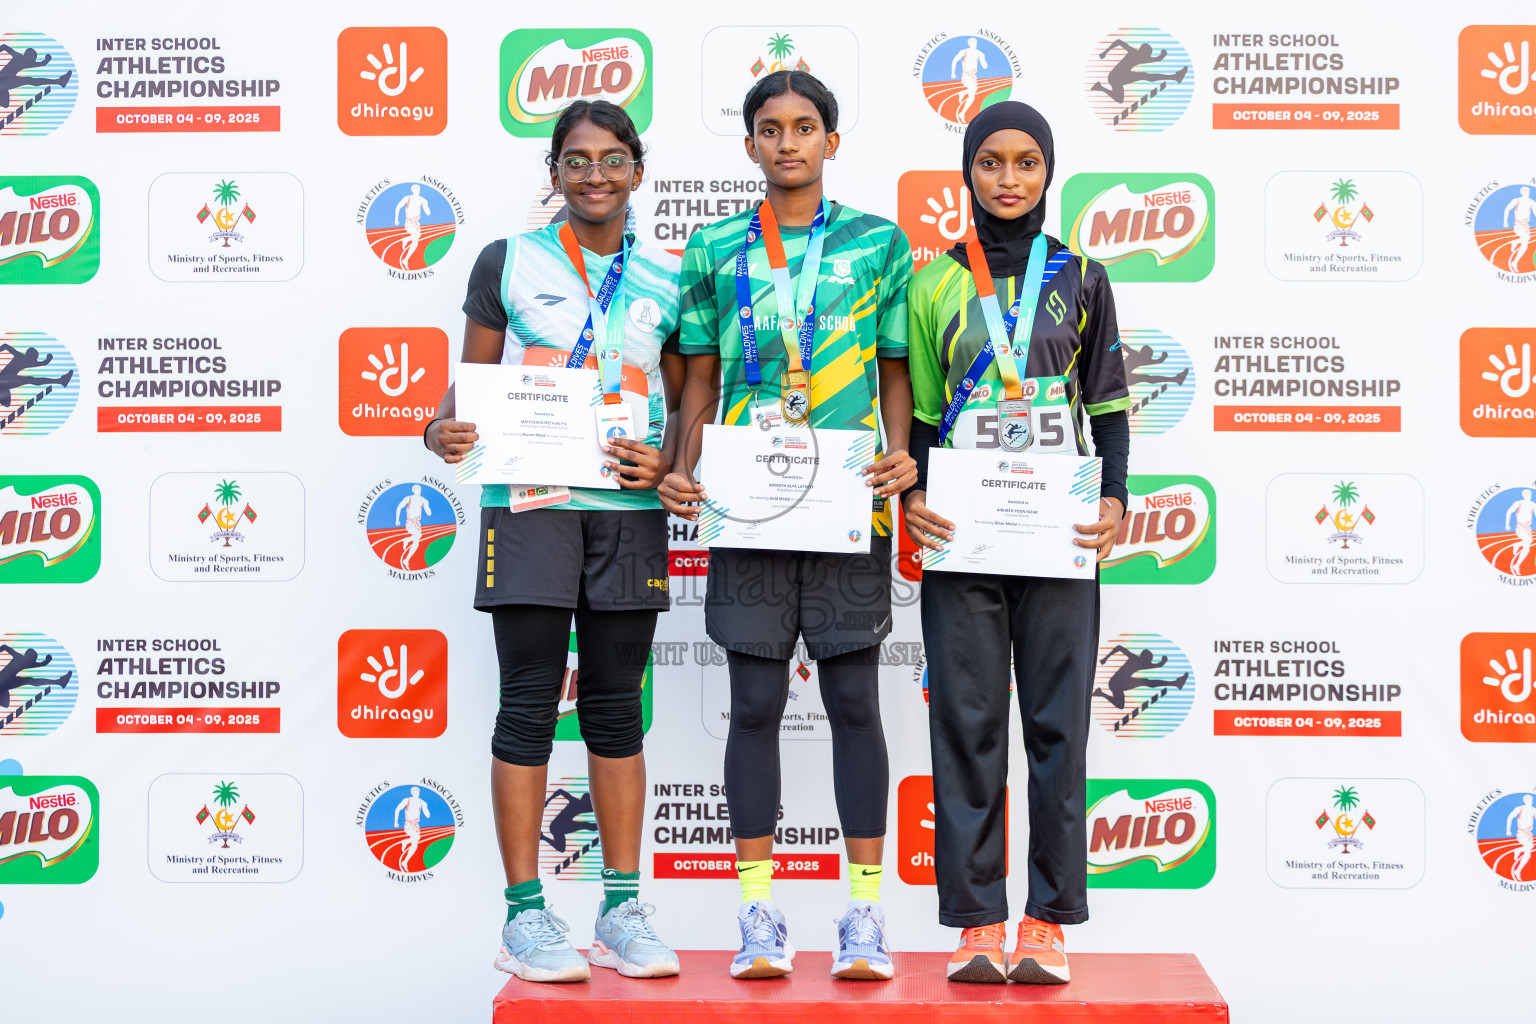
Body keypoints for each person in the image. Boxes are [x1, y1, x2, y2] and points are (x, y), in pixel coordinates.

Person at [659, 69, 914, 982]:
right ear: (750, 145)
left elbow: (894, 367)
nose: (789, 142)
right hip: (750, 496)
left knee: (854, 704)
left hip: (847, 497)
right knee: (756, 707)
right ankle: (757, 912)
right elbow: (695, 377)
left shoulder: (880, 244)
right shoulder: (715, 246)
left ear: (832, 142)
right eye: (771, 129)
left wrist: (896, 453)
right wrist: (681, 464)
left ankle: (864, 915)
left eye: (806, 127)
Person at [425, 98, 683, 983]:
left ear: (638, 172)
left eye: (613, 159)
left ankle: (619, 909)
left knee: (615, 705)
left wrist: (671, 459)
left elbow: (685, 401)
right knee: (530, 699)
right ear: (555, 173)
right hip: (529, 505)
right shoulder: (508, 259)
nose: (596, 174)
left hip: (628, 513)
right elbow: (468, 390)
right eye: (577, 160)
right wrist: (440, 432)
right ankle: (525, 919)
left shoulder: (669, 275)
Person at [901, 101, 1131, 985]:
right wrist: (914, 495)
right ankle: (973, 922)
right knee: (966, 723)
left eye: (1025, 162)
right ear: (968, 171)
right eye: (990, 161)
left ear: (1048, 171)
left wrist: (1114, 497)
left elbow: (1106, 406)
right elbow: (920, 415)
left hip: (1058, 534)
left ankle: (1044, 921)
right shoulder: (933, 284)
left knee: (1057, 726)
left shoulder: (1081, 276)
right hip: (962, 531)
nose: (1007, 178)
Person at [951, 39, 987, 126]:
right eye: (972, 43)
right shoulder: (964, 51)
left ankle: (962, 112)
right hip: (966, 75)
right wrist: (953, 73)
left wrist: (983, 58)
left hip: (973, 77)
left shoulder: (979, 53)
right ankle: (962, 98)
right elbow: (954, 60)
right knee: (973, 89)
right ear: (969, 44)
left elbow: (985, 66)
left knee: (972, 97)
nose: (974, 44)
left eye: (975, 43)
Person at [394, 785, 430, 870]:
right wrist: (395, 821)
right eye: (415, 792)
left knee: (415, 846)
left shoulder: (422, 802)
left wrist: (425, 808)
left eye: (418, 792)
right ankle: (405, 841)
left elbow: (427, 815)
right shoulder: (407, 800)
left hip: (416, 826)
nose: (416, 793)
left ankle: (405, 862)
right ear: (412, 793)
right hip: (409, 824)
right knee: (417, 837)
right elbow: (397, 809)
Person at [395, 483, 430, 569]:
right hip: (410, 522)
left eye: (419, 490)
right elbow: (399, 507)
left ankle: (406, 559)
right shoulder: (408, 498)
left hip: (417, 523)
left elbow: (429, 513)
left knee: (416, 544)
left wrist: (426, 506)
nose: (418, 491)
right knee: (418, 535)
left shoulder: (423, 500)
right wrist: (397, 520)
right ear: (413, 491)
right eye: (416, 490)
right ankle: (406, 540)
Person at [396, 184, 430, 270]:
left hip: (416, 222)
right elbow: (398, 207)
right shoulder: (407, 198)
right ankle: (406, 239)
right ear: (412, 190)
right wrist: (396, 219)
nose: (416, 191)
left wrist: (426, 206)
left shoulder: (422, 200)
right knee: (417, 235)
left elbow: (428, 212)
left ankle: (405, 259)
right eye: (415, 190)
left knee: (415, 244)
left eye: (418, 190)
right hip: (409, 222)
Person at [1503, 185, 1534, 273]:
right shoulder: (1516, 200)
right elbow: (1507, 209)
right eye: (1525, 192)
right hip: (1518, 224)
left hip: (1526, 225)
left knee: (1525, 246)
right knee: (1526, 239)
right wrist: (1505, 222)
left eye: (1527, 192)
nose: (1526, 193)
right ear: (1521, 192)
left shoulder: (1531, 202)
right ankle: (1515, 242)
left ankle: (1515, 262)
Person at [1508, 794, 1536, 880]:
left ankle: (1518, 869)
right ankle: (1517, 852)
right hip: (1521, 832)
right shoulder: (1519, 808)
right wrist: (1508, 830)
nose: (1529, 802)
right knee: (1529, 849)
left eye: (1530, 800)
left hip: (1529, 834)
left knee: (1528, 852)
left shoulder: (1533, 810)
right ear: (1525, 801)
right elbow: (1510, 817)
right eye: (1527, 800)